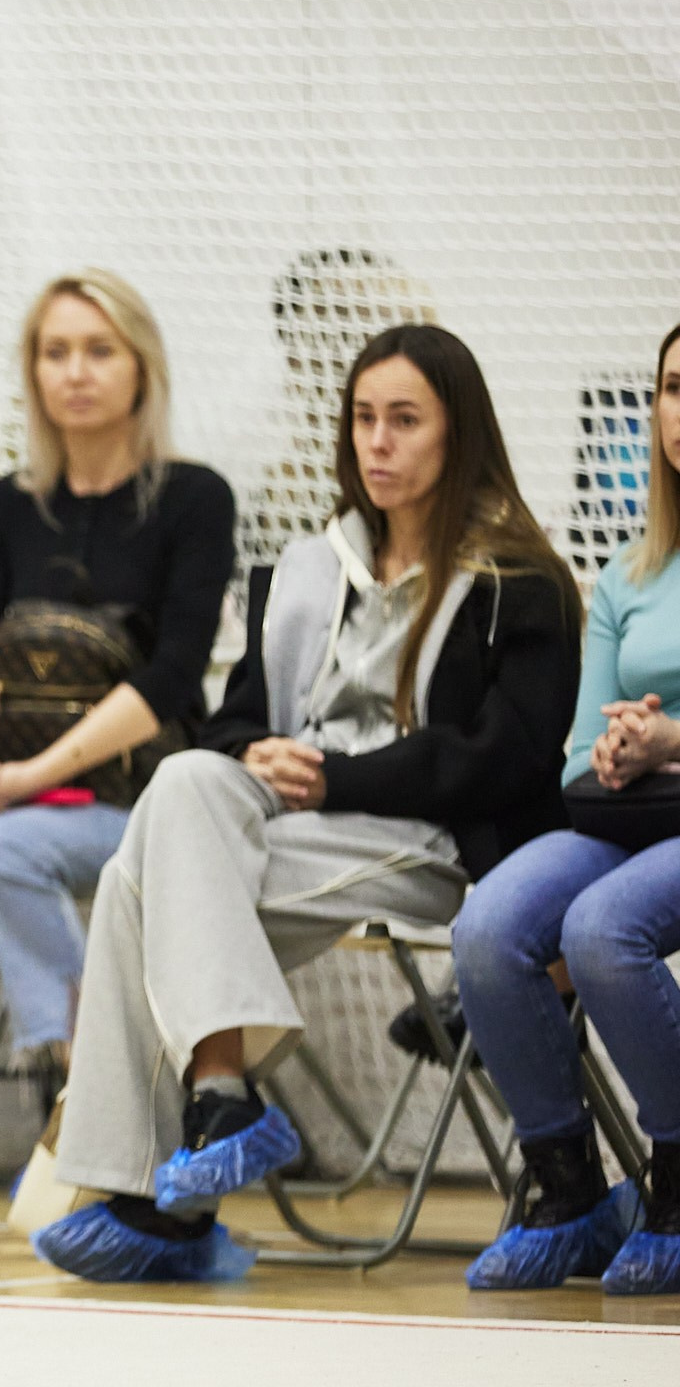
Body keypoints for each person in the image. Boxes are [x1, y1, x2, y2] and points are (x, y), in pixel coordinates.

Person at [35, 323, 580, 1282]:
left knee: (139, 884)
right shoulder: (305, 566)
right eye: (364, 418)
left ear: (461, 434)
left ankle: (165, 1198)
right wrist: (263, 753)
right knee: (185, 786)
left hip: (433, 841)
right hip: (299, 819)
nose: (377, 442)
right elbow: (232, 726)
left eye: (405, 420)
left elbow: (510, 760)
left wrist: (337, 777)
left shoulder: (517, 580)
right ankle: (219, 1099)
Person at [0, 272, 235, 1201]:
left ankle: (88, 1096)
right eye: (56, 351)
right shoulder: (9, 506)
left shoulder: (196, 499)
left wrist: (20, 783)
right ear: (32, 372)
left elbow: (171, 681)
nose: (77, 372)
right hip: (14, 788)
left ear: (142, 368)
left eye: (100, 350)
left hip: (138, 802)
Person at [448, 321, 680, 1295]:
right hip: (632, 815)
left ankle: (673, 1183)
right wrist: (619, 745)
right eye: (672, 386)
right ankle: (567, 1186)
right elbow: (575, 749)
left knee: (599, 927)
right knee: (487, 922)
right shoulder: (631, 573)